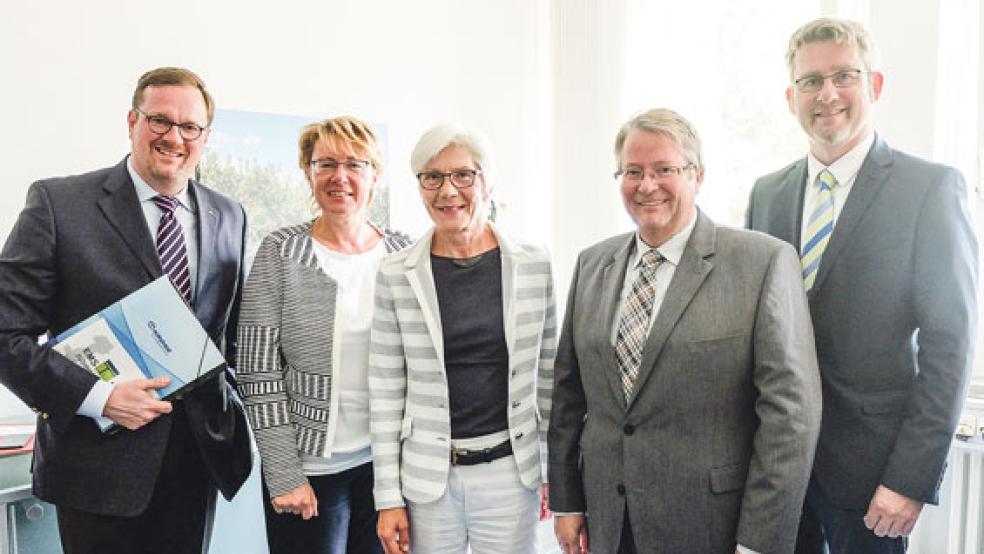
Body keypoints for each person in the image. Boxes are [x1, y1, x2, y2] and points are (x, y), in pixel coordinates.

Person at [745, 17, 979, 553]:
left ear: (873, 85)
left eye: (843, 75)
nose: (826, 94)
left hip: (874, 478)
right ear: (790, 97)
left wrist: (909, 479)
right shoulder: (767, 194)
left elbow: (951, 346)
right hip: (778, 469)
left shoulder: (931, 189)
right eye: (810, 81)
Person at [0, 67, 251, 554]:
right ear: (132, 120)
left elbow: (232, 338)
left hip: (198, 459)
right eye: (160, 120)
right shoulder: (59, 203)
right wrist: (99, 396)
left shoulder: (230, 214)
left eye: (190, 127)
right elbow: (5, 335)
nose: (174, 137)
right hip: (98, 465)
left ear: (205, 137)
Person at [549, 108, 822, 554]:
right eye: (632, 171)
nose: (647, 185)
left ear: (697, 175)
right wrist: (566, 502)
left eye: (664, 169)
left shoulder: (761, 263)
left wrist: (759, 540)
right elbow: (568, 396)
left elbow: (791, 417)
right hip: (609, 521)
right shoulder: (592, 263)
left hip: (711, 525)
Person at [368, 124, 556, 554]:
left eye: (462, 175)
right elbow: (385, 391)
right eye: (431, 177)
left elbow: (548, 377)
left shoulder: (533, 263)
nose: (447, 190)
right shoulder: (396, 273)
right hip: (429, 477)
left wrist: (551, 471)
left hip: (511, 471)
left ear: (486, 182)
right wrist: (388, 498)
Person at [236, 116, 411, 554]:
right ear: (308, 173)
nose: (340, 177)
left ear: (375, 175)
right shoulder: (281, 251)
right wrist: (283, 471)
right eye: (325, 164)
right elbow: (256, 370)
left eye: (355, 164)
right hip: (311, 469)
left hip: (387, 468)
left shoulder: (403, 254)